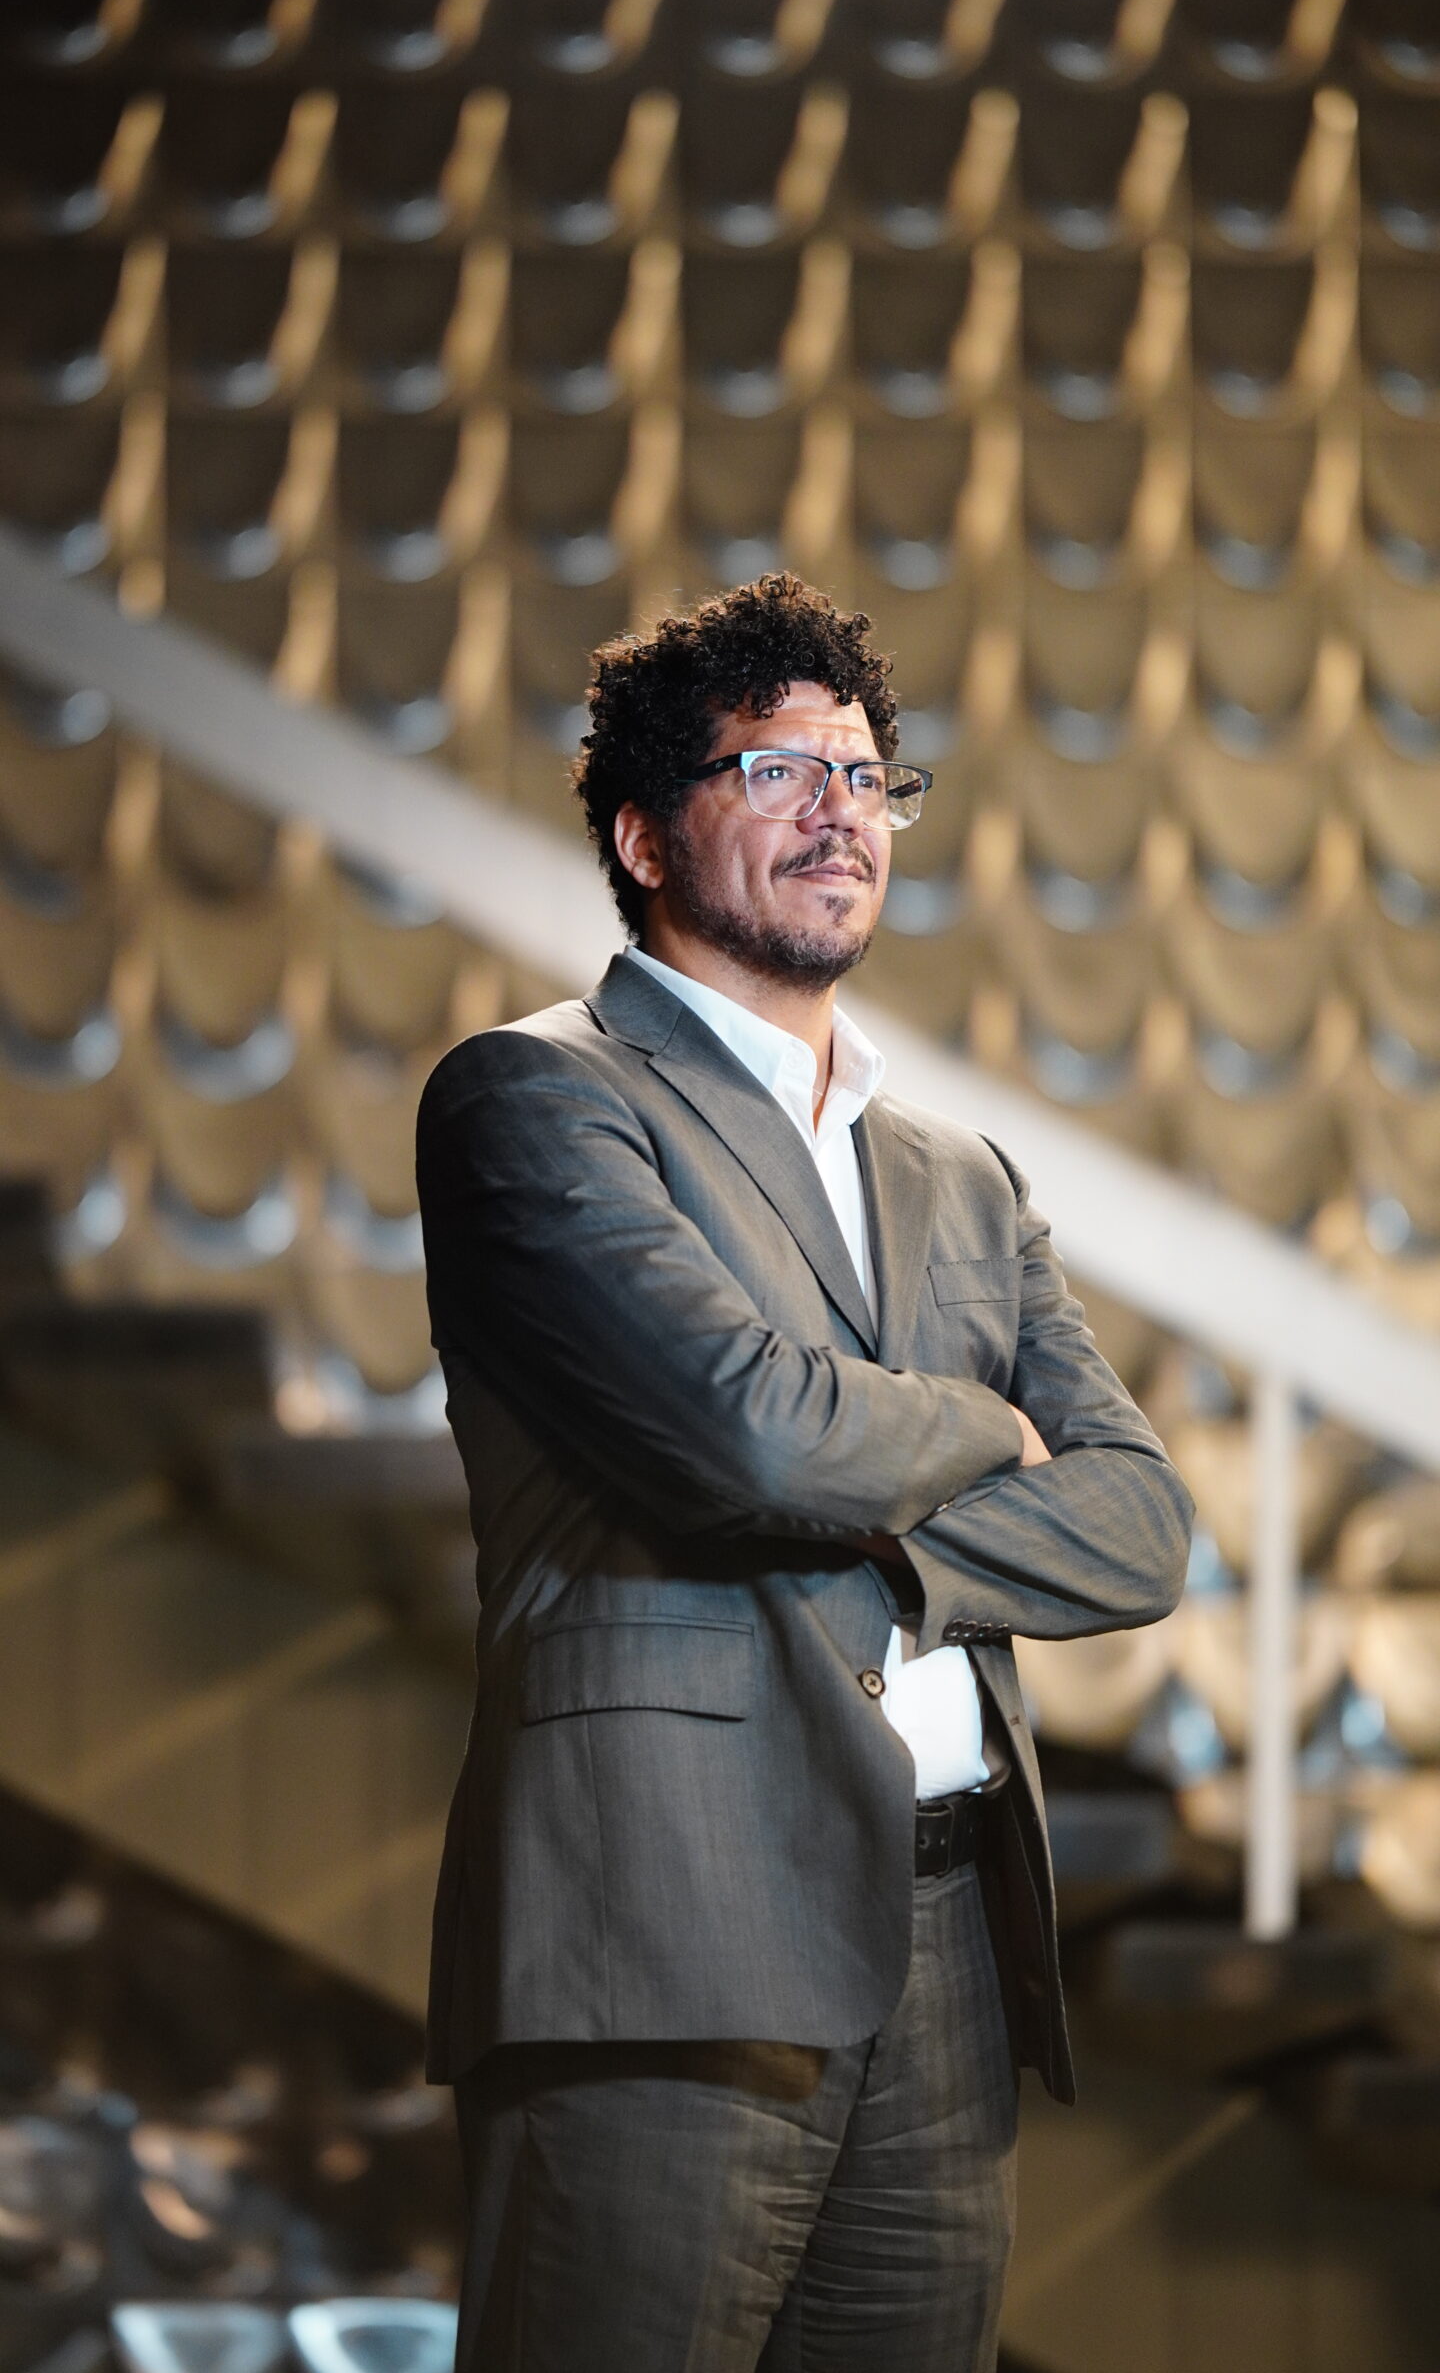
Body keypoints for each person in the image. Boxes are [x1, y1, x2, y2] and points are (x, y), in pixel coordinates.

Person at [416, 573, 1193, 2373]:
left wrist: (900, 1544)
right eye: (775, 771)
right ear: (643, 836)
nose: (840, 810)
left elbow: (1144, 1523)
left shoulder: (962, 1174)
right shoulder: (539, 1099)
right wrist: (989, 1431)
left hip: (950, 1947)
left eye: (864, 776)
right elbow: (743, 1433)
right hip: (664, 1925)